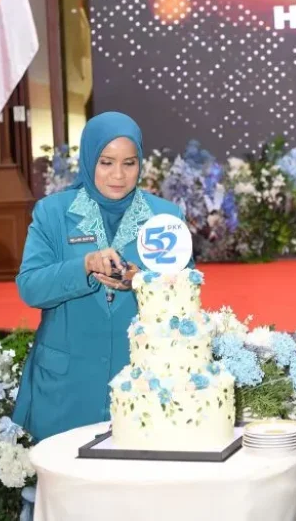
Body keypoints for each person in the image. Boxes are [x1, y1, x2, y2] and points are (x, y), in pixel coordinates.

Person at [12, 112, 190, 441]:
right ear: (89, 158)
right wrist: (84, 266)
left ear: (141, 163)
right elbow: (30, 287)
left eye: (129, 163)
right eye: (106, 162)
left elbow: (186, 299)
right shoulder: (53, 212)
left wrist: (142, 282)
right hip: (66, 388)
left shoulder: (165, 218)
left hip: (142, 385)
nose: (118, 176)